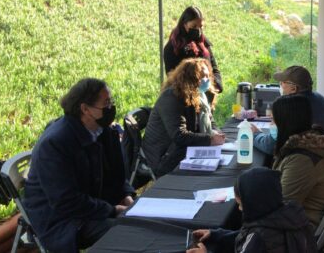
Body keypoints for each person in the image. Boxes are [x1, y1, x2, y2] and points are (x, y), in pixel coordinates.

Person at [24, 78, 135, 252]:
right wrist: (111, 210)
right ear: (85, 109)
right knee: (125, 231)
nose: (111, 108)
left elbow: (117, 174)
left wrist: (126, 196)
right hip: (62, 221)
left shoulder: (103, 130)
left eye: (111, 101)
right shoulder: (55, 143)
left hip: (92, 204)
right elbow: (65, 201)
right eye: (105, 104)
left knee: (139, 223)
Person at [186, 167, 317, 253]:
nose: (239, 208)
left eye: (241, 204)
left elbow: (252, 240)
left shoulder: (258, 237)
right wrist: (216, 235)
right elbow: (246, 236)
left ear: (253, 204)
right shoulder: (290, 215)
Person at [142, 58, 225, 177]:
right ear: (190, 79)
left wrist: (218, 134)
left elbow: (211, 122)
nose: (207, 80)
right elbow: (179, 135)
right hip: (165, 158)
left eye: (208, 76)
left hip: (184, 152)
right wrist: (210, 139)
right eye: (202, 77)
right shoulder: (171, 97)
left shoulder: (201, 97)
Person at [271, 95, 324, 227]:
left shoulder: (303, 160)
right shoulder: (304, 147)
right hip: (298, 220)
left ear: (285, 122)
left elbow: (281, 207)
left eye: (274, 120)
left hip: (299, 230)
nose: (272, 124)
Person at [252, 65, 324, 155]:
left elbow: (270, 146)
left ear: (293, 88)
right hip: (322, 157)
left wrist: (254, 134)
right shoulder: (322, 100)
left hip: (299, 160)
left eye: (283, 82)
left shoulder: (291, 108)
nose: (281, 85)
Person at [164, 6, 223, 96]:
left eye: (201, 26)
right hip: (185, 99)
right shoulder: (173, 48)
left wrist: (217, 85)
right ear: (184, 24)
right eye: (194, 26)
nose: (198, 30)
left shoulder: (203, 43)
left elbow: (214, 67)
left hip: (208, 96)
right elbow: (172, 79)